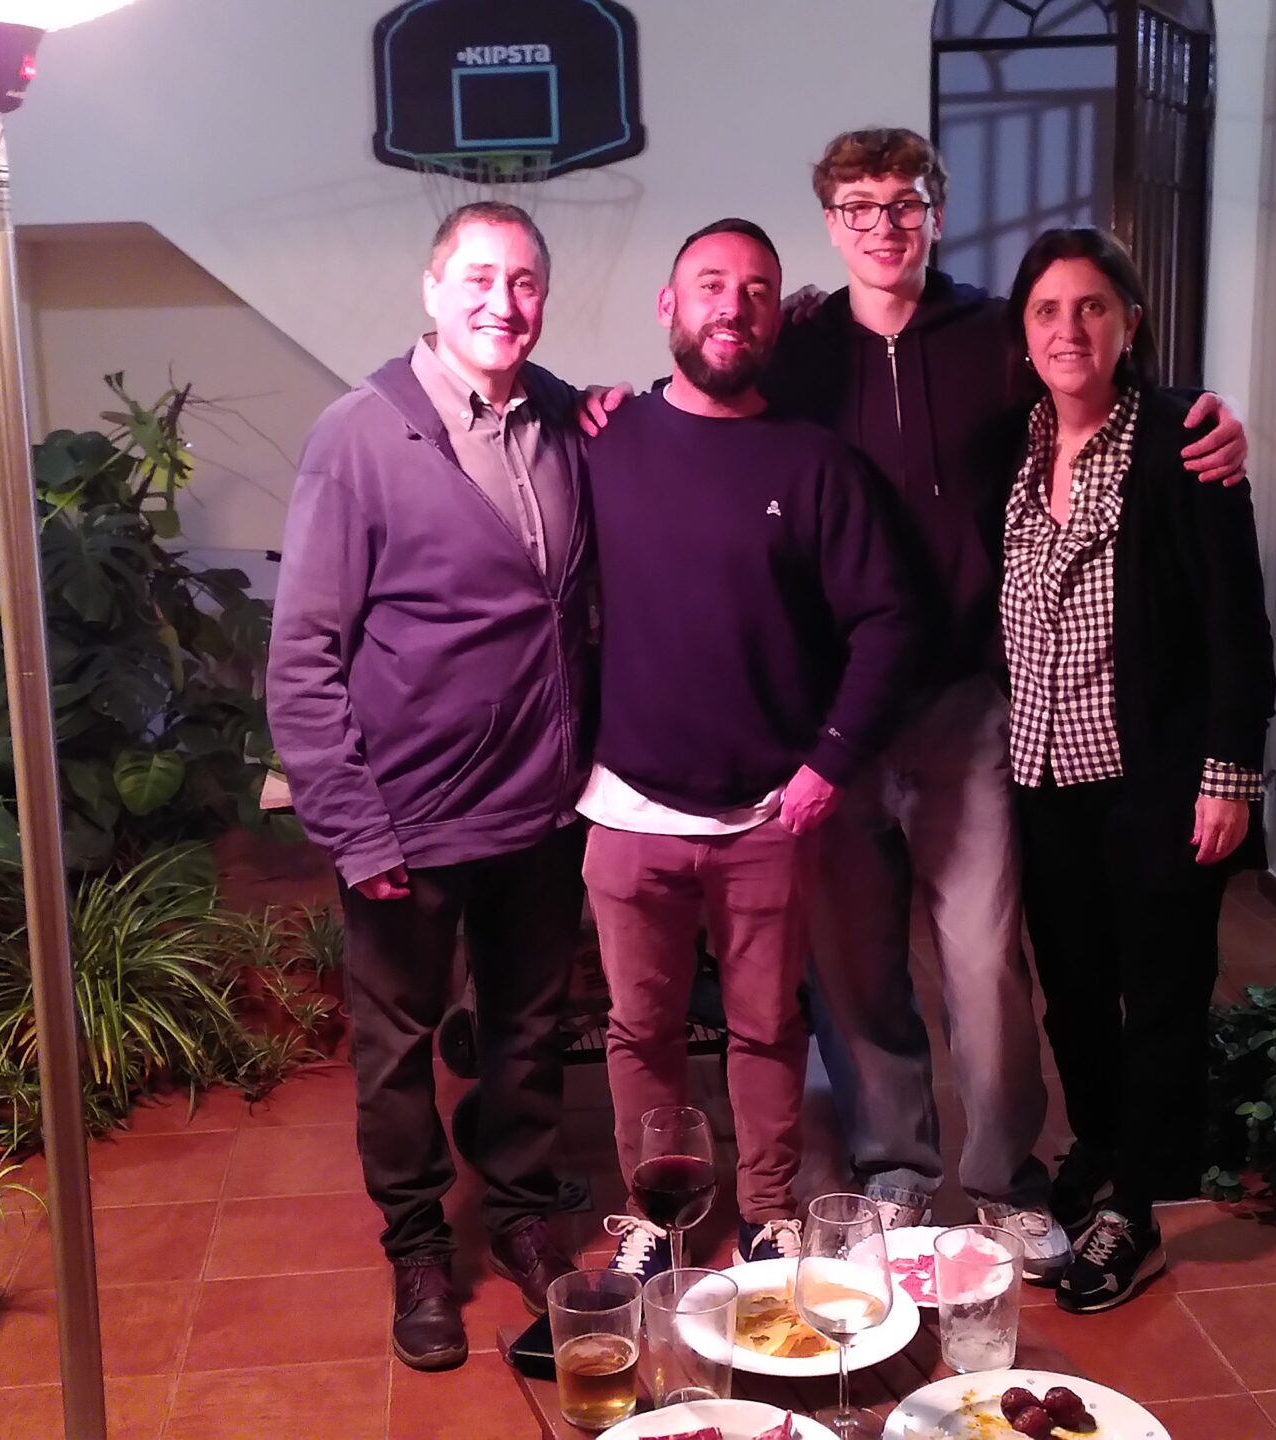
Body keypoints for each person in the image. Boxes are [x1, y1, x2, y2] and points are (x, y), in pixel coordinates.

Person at [762, 128, 1250, 1279]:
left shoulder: (996, 333)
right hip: (836, 716)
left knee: (984, 963)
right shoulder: (795, 352)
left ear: (935, 213)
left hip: (968, 703)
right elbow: (699, 398)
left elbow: (1109, 395)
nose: (885, 225)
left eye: (905, 202)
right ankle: (893, 1167)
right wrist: (602, 407)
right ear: (830, 224)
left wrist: (1206, 417)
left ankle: (1003, 1178)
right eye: (860, 206)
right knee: (856, 966)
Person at [266, 202, 587, 1372]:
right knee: (396, 1047)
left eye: (525, 281)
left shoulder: (566, 419)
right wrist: (355, 829)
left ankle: (521, 1213)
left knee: (528, 1031)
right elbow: (302, 655)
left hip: (540, 808)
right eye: (480, 277)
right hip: (406, 819)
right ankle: (415, 1246)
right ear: (432, 288)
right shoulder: (359, 435)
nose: (504, 301)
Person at [579, 219, 915, 1281]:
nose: (734, 305)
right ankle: (657, 1214)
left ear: (776, 318)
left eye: (758, 290)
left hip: (770, 811)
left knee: (768, 1026)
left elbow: (887, 623)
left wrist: (827, 765)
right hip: (627, 806)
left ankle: (768, 1209)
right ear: (669, 308)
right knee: (640, 1030)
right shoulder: (601, 441)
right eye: (711, 285)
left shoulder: (815, 463)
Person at [998, 227, 1276, 1312]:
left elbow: (1236, 626)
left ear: (1130, 323)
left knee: (1159, 997)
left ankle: (1139, 1207)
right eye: (1047, 311)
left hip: (1153, 778)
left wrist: (1228, 775)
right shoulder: (1013, 446)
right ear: (1024, 333)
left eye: (1092, 307)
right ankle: (1101, 1144)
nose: (1068, 329)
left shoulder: (1181, 441)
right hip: (1041, 779)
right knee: (1072, 996)